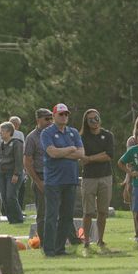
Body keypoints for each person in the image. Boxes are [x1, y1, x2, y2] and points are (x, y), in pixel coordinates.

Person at [41, 103, 84, 257]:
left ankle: (60, 248)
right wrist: (70, 149)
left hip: (70, 179)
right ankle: (49, 249)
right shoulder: (47, 133)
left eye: (66, 114)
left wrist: (62, 152)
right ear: (54, 116)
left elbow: (81, 153)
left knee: (66, 216)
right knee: (51, 216)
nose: (64, 116)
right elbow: (52, 153)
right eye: (61, 114)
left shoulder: (73, 132)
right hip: (53, 181)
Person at [79, 108, 117, 253]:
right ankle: (86, 240)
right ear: (86, 122)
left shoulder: (107, 135)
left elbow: (109, 155)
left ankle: (100, 239)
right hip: (89, 178)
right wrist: (95, 157)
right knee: (88, 212)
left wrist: (90, 158)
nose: (94, 121)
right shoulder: (82, 137)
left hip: (105, 176)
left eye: (96, 118)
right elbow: (82, 157)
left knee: (102, 211)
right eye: (91, 119)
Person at [23, 108, 52, 230]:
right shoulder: (32, 137)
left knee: (60, 210)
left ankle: (64, 238)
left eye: (51, 118)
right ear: (38, 120)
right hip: (41, 177)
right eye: (47, 119)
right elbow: (27, 162)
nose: (50, 121)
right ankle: (44, 239)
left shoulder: (55, 134)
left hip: (56, 176)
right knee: (43, 213)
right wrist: (38, 182)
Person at [0, 122, 25, 225]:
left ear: (9, 132)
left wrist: (16, 174)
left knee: (11, 196)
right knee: (4, 197)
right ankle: (11, 219)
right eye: (0, 131)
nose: (0, 133)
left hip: (12, 173)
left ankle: (18, 218)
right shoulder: (1, 145)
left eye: (2, 131)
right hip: (2, 174)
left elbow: (19, 159)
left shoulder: (17, 143)